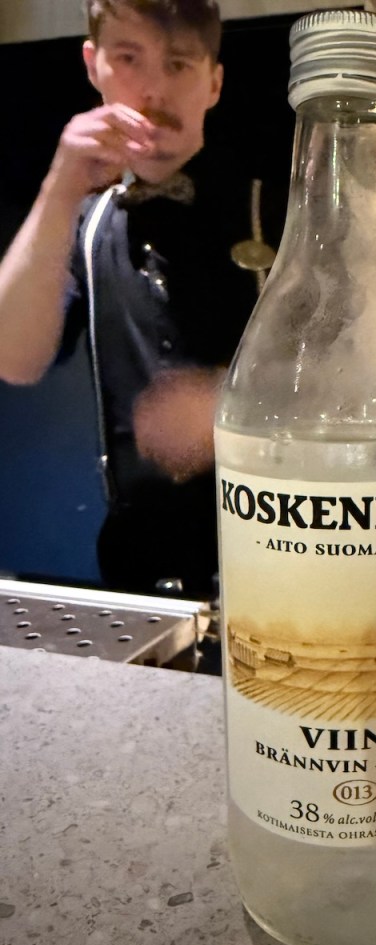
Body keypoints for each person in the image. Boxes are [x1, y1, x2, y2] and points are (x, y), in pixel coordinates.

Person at [0, 0, 260, 601]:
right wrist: (61, 187)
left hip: (276, 566)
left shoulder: (280, 206)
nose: (152, 88)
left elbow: (362, 381)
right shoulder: (84, 222)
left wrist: (235, 409)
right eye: (128, 58)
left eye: (178, 64)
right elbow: (14, 358)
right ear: (94, 66)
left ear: (213, 82)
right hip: (132, 575)